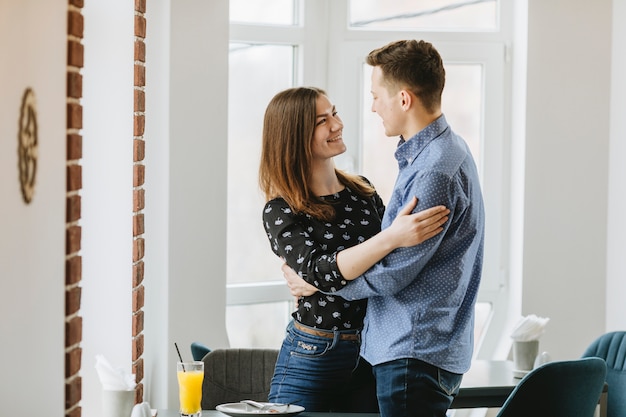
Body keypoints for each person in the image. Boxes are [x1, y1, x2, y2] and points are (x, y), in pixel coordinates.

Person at [283, 40, 485, 417]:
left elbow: (393, 272)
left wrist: (318, 282)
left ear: (404, 99)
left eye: (377, 96)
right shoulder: (442, 152)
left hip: (412, 349)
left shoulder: (433, 170)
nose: (373, 105)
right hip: (418, 350)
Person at [259, 86, 450, 412]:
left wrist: (319, 279)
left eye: (334, 113)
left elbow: (391, 265)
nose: (337, 124)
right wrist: (390, 237)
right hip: (313, 350)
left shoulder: (362, 191)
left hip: (373, 350)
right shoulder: (281, 210)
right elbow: (325, 272)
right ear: (295, 136)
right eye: (323, 120)